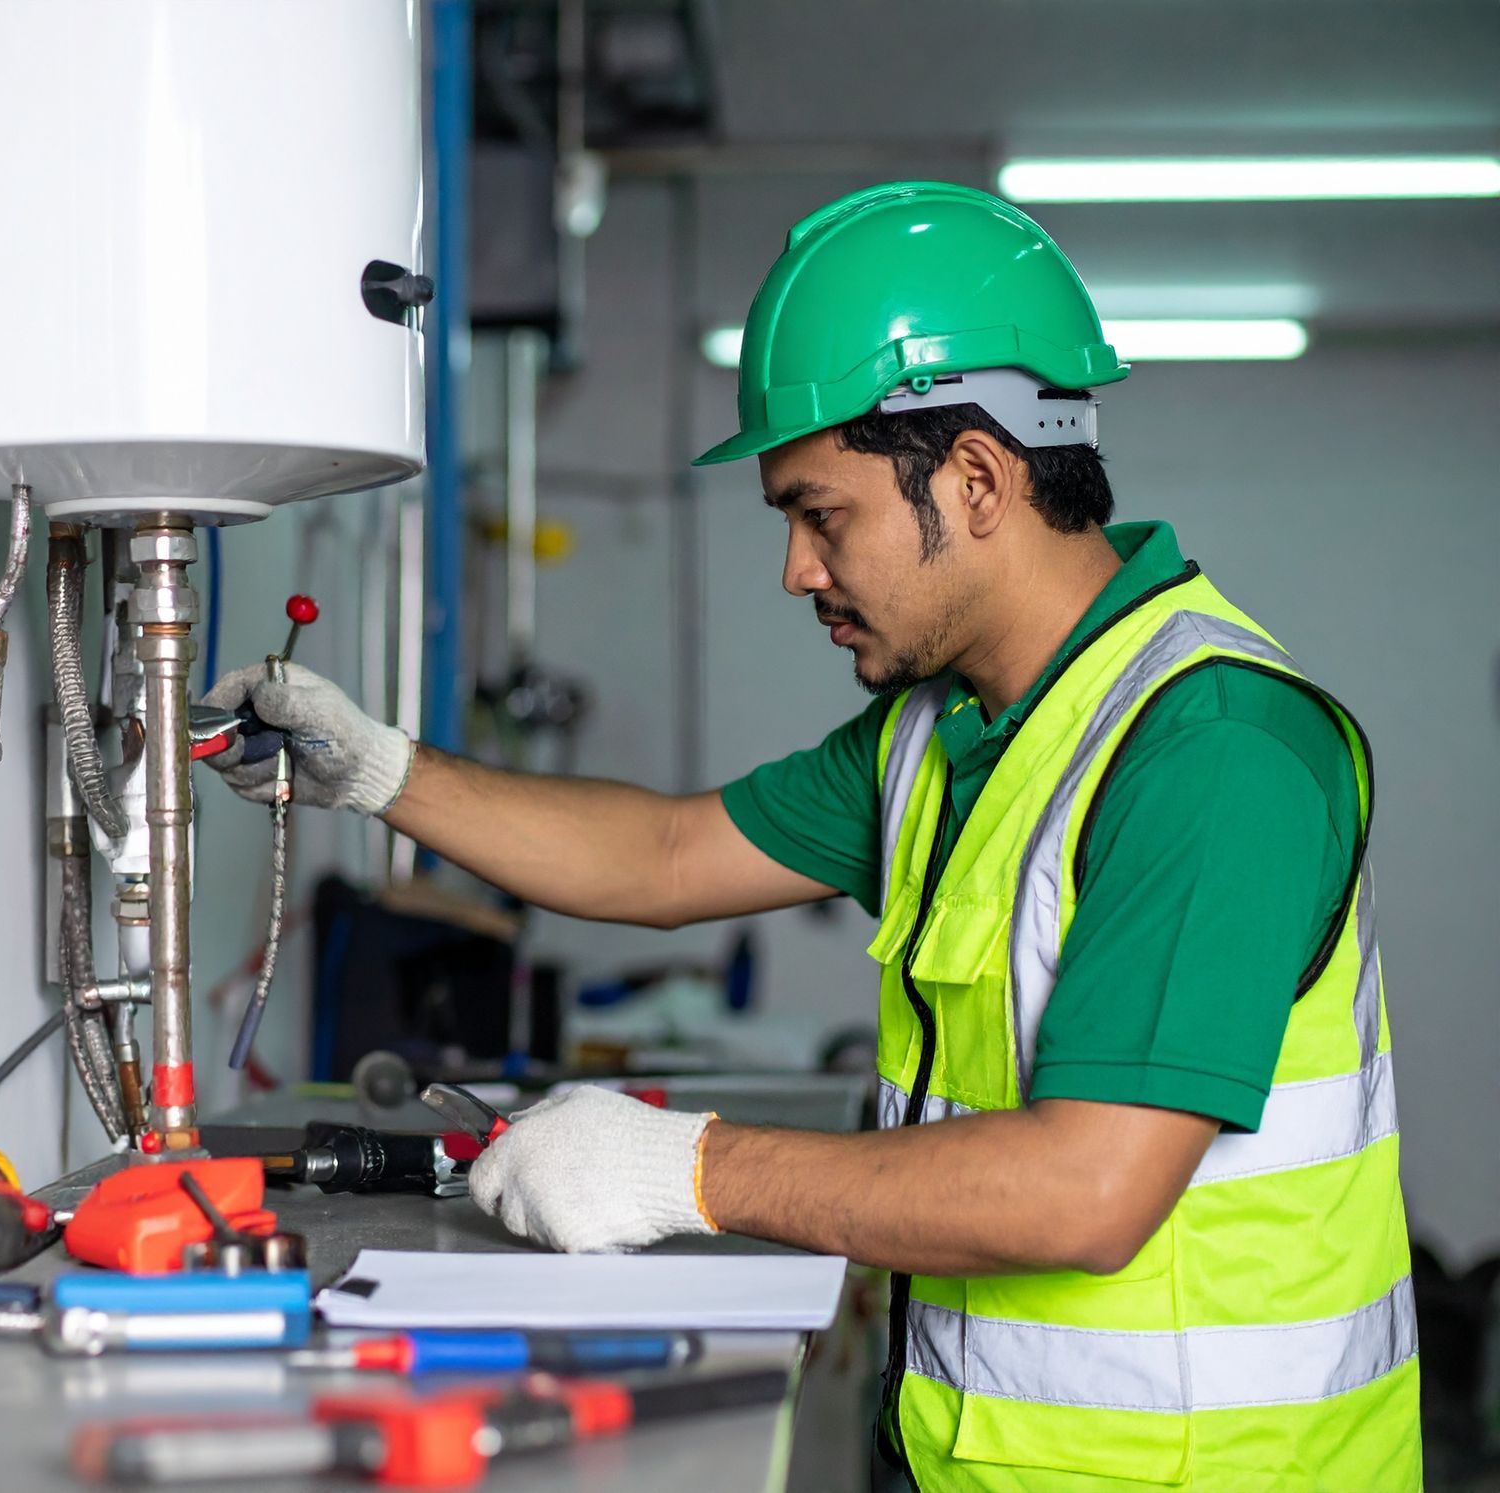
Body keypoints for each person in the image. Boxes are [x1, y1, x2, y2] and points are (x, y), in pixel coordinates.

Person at [202, 182, 1420, 1491]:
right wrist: (377, 770)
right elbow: (666, 857)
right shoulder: (940, 736)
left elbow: (1090, 1188)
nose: (796, 570)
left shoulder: (1213, 749)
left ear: (977, 477)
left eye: (821, 515)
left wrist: (691, 1167)